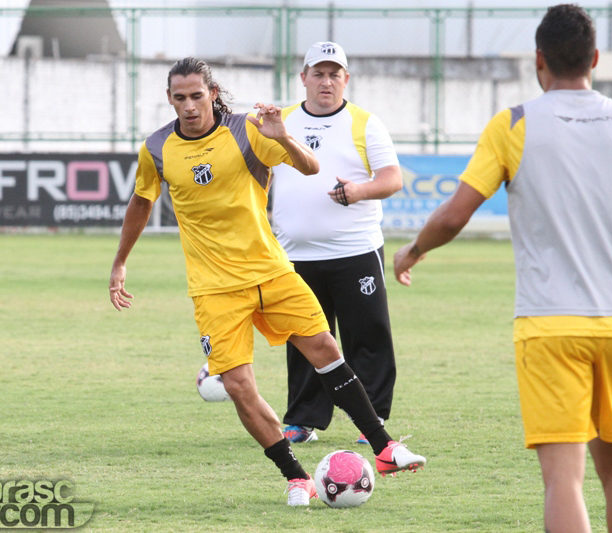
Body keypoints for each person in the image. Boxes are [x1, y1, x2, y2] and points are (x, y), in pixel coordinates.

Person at [393, 5, 612, 533]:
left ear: (538, 60)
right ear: (595, 59)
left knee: (564, 481)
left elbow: (455, 214)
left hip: (550, 325)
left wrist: (412, 251)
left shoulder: (514, 124)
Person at [108, 57, 425, 507]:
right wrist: (120, 262)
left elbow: (310, 167)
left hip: (272, 272)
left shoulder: (248, 130)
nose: (190, 106)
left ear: (212, 93)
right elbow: (141, 201)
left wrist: (284, 137)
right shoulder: (157, 147)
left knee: (326, 350)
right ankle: (296, 477)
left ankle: (385, 448)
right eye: (180, 98)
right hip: (214, 288)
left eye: (197, 96)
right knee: (239, 386)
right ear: (169, 99)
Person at [270, 41, 402, 445]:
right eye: (318, 73)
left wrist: (359, 191)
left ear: (346, 79)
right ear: (303, 78)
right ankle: (302, 420)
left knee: (368, 336)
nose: (326, 81)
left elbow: (392, 178)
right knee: (305, 338)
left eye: (334, 74)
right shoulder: (282, 122)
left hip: (355, 251)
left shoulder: (365, 123)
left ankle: (373, 419)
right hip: (295, 255)